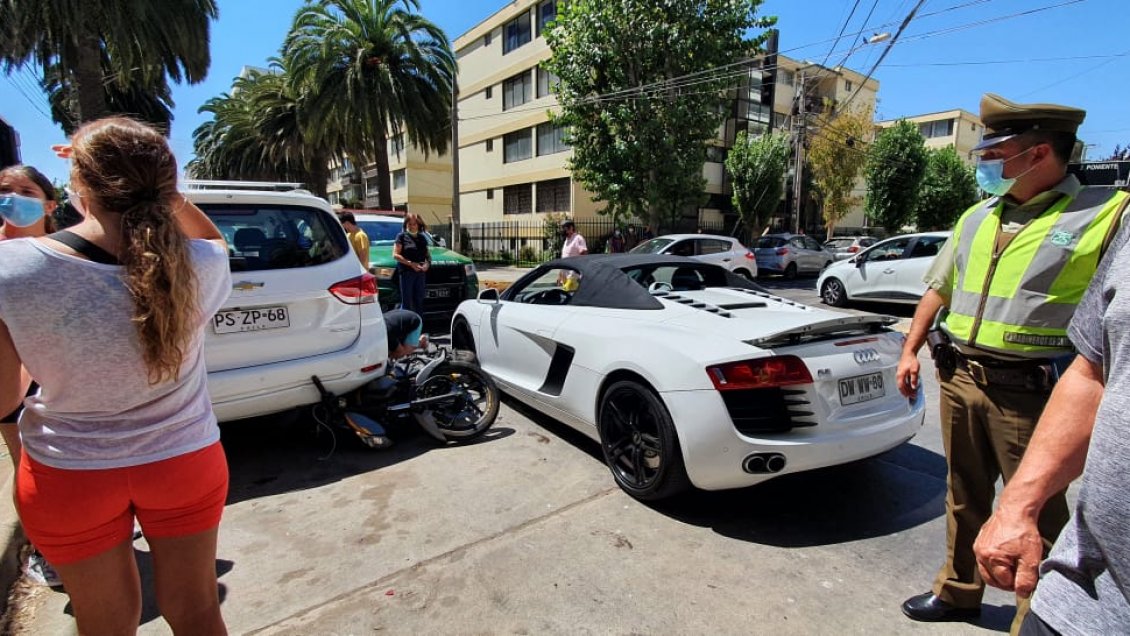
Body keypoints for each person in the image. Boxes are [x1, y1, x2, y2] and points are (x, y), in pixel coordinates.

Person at [895, 94, 1129, 631]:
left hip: (1034, 389)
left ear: (1038, 153)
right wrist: (911, 347)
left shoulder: (1108, 215)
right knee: (964, 495)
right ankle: (957, 592)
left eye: (994, 153)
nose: (984, 163)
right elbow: (940, 287)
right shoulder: (978, 215)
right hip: (960, 376)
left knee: (1037, 511)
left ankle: (1038, 615)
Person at [0, 117, 232, 634]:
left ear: (77, 186)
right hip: (183, 460)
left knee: (105, 623)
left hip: (69, 474)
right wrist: (163, 192)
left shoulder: (9, 269)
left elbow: (3, 399)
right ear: (167, 187)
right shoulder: (199, 265)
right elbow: (213, 242)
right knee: (197, 610)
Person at [974, 220, 1130, 635]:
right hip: (1080, 595)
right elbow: (1092, 369)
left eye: (1001, 152)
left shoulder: (1098, 214)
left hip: (1026, 381)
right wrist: (1016, 506)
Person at [0, 165, 62, 587]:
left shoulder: (64, 251)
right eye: (5, 191)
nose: (14, 199)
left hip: (61, 374)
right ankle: (45, 548)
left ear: (49, 204)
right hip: (11, 377)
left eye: (26, 190)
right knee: (28, 466)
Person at [393, 213, 430, 315]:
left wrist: (427, 264)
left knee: (419, 301)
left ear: (418, 225)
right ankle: (406, 328)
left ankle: (419, 327)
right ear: (406, 224)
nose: (412, 226)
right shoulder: (401, 236)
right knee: (407, 303)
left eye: (414, 224)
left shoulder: (422, 238)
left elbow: (427, 255)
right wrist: (411, 264)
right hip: (407, 273)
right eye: (410, 224)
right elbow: (395, 255)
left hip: (420, 274)